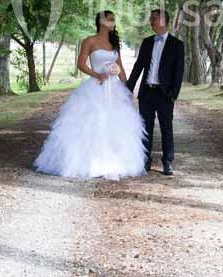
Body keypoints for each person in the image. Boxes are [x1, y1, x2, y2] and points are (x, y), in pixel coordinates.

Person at [33, 11, 146, 180]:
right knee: (94, 121)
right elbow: (81, 63)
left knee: (116, 123)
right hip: (96, 85)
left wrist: (127, 88)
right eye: (110, 19)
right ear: (101, 21)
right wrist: (97, 74)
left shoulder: (114, 43)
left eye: (114, 19)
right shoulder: (90, 41)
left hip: (114, 88)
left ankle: (115, 162)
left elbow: (120, 66)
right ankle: (88, 162)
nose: (113, 22)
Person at [127, 9, 185, 176]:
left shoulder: (177, 45)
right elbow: (138, 67)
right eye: (151, 18)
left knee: (167, 128)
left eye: (154, 18)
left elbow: (178, 72)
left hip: (165, 94)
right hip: (146, 93)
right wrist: (128, 89)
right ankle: (145, 160)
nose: (151, 21)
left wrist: (174, 94)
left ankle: (167, 161)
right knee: (146, 128)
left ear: (164, 21)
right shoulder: (146, 42)